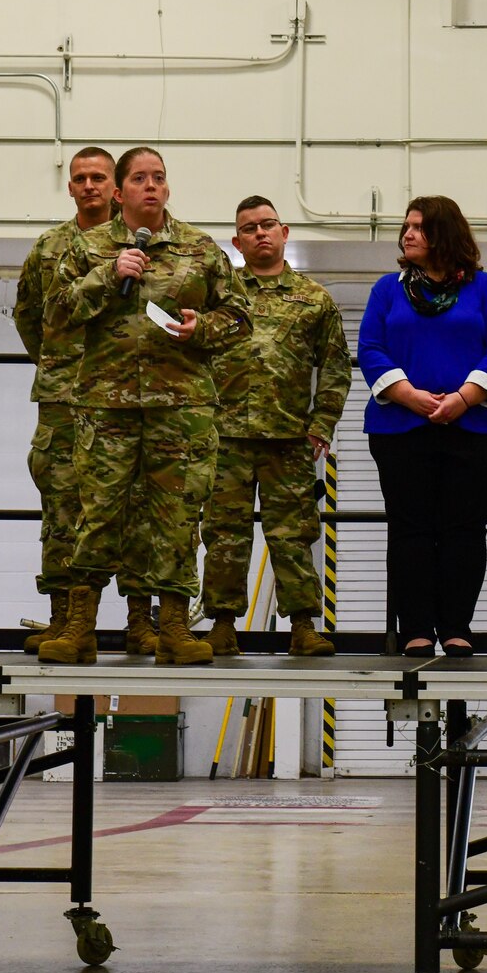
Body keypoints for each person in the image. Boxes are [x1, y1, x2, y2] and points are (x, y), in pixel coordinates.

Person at [44, 146, 252, 664]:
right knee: (96, 515)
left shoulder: (200, 249)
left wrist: (200, 327)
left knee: (177, 517)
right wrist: (107, 274)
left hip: (181, 408)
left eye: (159, 178)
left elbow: (241, 317)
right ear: (120, 192)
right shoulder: (90, 247)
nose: (151, 186)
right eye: (140, 178)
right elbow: (55, 313)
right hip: (107, 407)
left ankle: (176, 630)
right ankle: (79, 629)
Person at [17, 147, 161, 658]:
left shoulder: (144, 242)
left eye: (99, 177)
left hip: (125, 396)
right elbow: (32, 316)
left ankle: (141, 622)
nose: (89, 186)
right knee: (62, 509)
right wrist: (61, 362)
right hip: (62, 398)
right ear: (71, 187)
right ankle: (63, 621)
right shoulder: (49, 247)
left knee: (137, 508)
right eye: (80, 179)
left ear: (115, 188)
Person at [358, 196, 487, 655]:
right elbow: (370, 348)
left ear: (445, 234)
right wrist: (409, 395)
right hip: (400, 429)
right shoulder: (387, 289)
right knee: (410, 529)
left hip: (475, 430)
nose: (407, 235)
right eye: (405, 227)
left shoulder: (485, 289)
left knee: (464, 529)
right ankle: (416, 631)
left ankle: (455, 626)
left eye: (419, 228)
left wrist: (465, 398)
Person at [198, 196, 351, 657]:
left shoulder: (314, 299)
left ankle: (303, 627)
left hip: (288, 439)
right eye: (250, 228)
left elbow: (336, 367)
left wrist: (321, 425)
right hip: (224, 436)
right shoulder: (218, 297)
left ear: (284, 233)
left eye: (268, 225)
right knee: (224, 534)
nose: (260, 233)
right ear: (236, 241)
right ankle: (223, 625)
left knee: (294, 535)